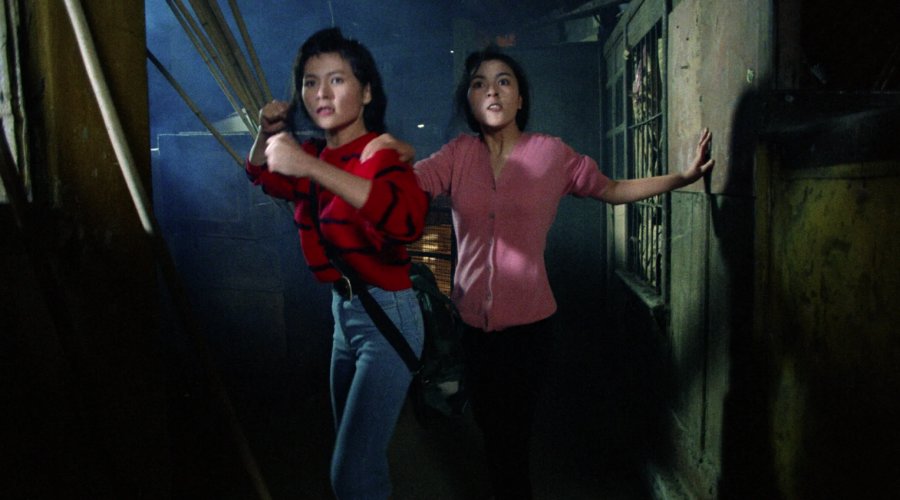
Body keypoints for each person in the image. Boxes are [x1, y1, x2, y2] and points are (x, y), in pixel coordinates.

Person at [366, 47, 714, 499]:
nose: (492, 90)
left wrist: (682, 178)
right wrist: (382, 155)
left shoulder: (551, 154)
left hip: (529, 329)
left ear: (520, 99)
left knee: (512, 434)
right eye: (479, 83)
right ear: (470, 101)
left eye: (503, 81)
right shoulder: (457, 155)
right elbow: (407, 186)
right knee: (491, 427)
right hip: (470, 326)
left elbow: (610, 188)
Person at [244, 27, 428, 499]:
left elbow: (407, 222)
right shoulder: (314, 154)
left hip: (387, 314)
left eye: (337, 80)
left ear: (366, 92)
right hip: (344, 315)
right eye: (310, 82)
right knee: (361, 465)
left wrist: (310, 167)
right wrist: (266, 131)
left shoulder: (381, 153)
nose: (321, 93)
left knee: (350, 474)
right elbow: (261, 175)